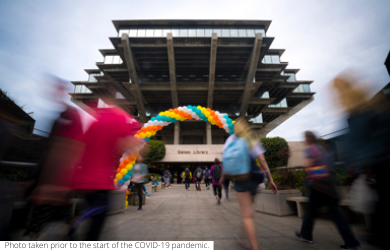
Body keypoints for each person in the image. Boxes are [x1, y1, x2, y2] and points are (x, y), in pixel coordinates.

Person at [295, 131, 361, 250]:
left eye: (305, 138)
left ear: (308, 139)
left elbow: (308, 167)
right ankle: (353, 243)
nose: (304, 140)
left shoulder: (310, 149)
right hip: (329, 183)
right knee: (335, 212)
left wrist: (307, 176)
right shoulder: (324, 149)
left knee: (310, 210)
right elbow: (331, 168)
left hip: (317, 185)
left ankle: (306, 235)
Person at [221, 118, 277, 250]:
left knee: (247, 215)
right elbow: (262, 160)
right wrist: (271, 179)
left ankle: (254, 246)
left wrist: (223, 177)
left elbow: (226, 160)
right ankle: (243, 236)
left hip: (240, 179)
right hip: (254, 177)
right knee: (249, 212)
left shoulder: (230, 140)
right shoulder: (251, 138)